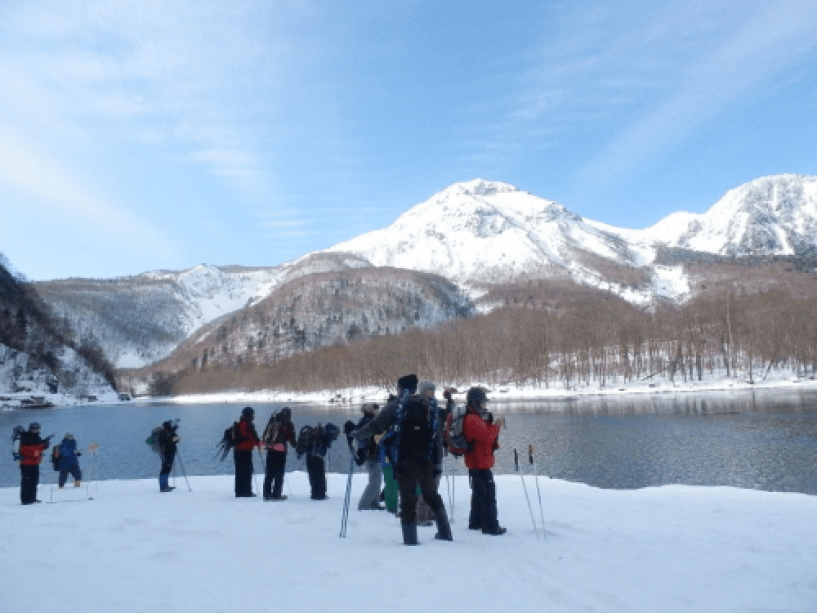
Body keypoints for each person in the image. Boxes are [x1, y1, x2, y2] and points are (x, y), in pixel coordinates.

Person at [355, 376, 452, 546]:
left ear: (400, 388)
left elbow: (376, 426)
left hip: (404, 459)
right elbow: (436, 436)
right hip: (426, 460)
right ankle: (445, 533)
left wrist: (357, 434)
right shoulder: (429, 406)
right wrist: (437, 463)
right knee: (431, 495)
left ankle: (410, 540)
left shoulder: (396, 406)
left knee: (408, 500)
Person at [462, 387, 506, 535]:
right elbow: (487, 436)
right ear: (475, 403)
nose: (484, 405)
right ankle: (490, 526)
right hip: (479, 463)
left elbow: (485, 437)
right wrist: (497, 426)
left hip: (477, 461)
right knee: (488, 496)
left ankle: (475, 523)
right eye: (482, 403)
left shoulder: (475, 417)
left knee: (478, 493)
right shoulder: (472, 419)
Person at [262, 407, 296, 501]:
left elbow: (265, 434)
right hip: (281, 451)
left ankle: (267, 494)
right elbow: (291, 439)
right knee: (279, 473)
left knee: (269, 472)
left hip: (270, 449)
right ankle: (277, 494)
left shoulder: (272, 421)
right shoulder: (288, 424)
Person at [299, 422, 340, 500]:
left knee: (313, 475)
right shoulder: (326, 435)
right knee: (320, 475)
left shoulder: (314, 433)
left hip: (309, 455)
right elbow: (328, 444)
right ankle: (321, 495)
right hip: (318, 457)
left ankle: (314, 494)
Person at [356, 403, 384, 510]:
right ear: (371, 411)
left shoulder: (367, 421)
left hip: (374, 454)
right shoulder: (368, 423)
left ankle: (374, 502)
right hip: (371, 454)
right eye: (376, 409)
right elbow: (365, 438)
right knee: (375, 481)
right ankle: (364, 504)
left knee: (375, 479)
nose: (377, 411)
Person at [16, 422, 52, 505]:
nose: (35, 430)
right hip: (26, 464)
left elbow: (37, 450)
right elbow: (30, 451)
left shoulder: (37, 437)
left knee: (34, 481)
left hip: (35, 463)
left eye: (37, 429)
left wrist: (45, 445)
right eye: (34, 429)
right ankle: (25, 500)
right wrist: (41, 447)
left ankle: (32, 498)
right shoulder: (25, 438)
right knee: (26, 482)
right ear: (30, 429)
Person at [234, 407, 262, 497]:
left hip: (237, 450)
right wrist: (259, 444)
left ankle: (238, 492)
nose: (253, 416)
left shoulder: (237, 423)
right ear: (250, 415)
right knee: (247, 471)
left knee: (239, 472)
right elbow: (254, 437)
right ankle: (247, 492)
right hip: (245, 451)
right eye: (252, 414)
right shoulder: (249, 424)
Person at [158, 420, 179, 492]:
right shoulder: (166, 434)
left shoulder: (164, 433)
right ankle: (163, 487)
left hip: (166, 453)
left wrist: (173, 432)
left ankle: (165, 485)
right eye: (170, 425)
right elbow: (177, 440)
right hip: (167, 454)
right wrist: (174, 433)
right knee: (165, 469)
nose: (171, 426)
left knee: (166, 469)